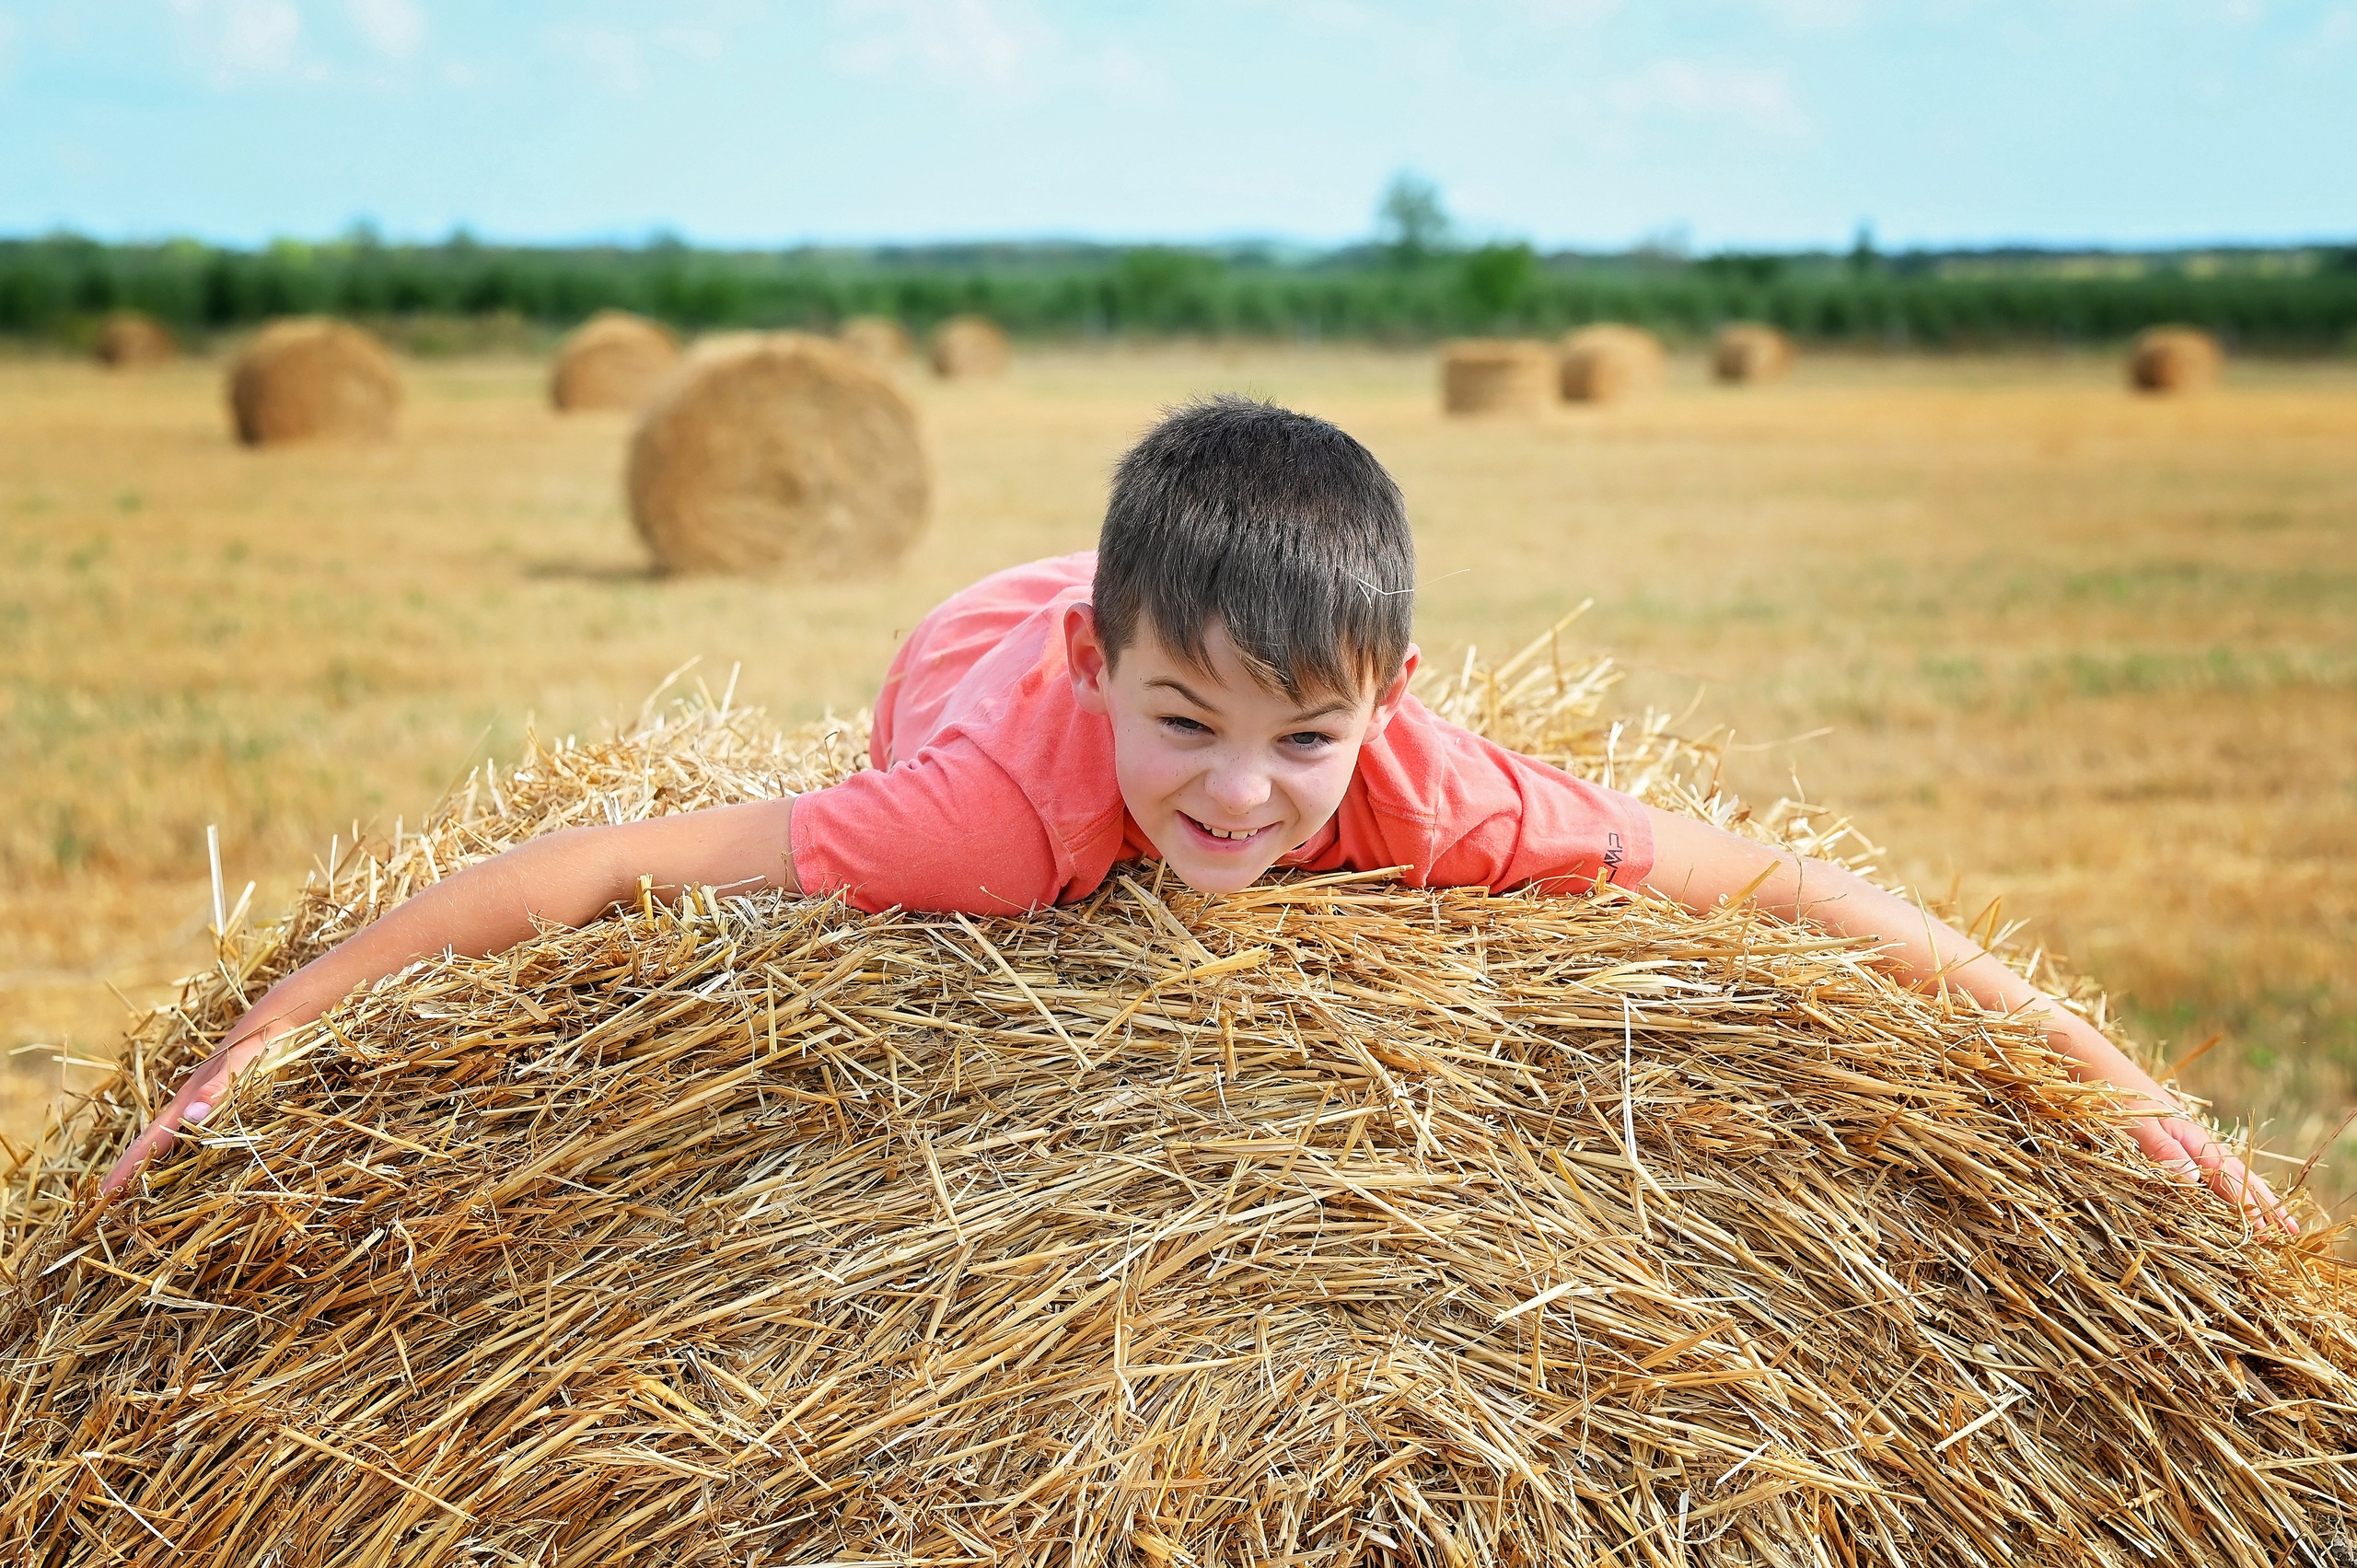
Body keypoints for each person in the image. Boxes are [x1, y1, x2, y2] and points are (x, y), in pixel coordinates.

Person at [101, 397, 2285, 1228]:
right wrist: (252, 1051)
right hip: (987, 633)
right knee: (1038, 754)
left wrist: (2107, 1098)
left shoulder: (1422, 787)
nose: (1240, 800)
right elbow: (589, 872)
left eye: (1301, 743)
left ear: (1388, 708)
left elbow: (1797, 888)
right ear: (1102, 688)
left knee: (1244, 720)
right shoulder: (986, 814)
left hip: (1142, 628)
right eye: (1185, 730)